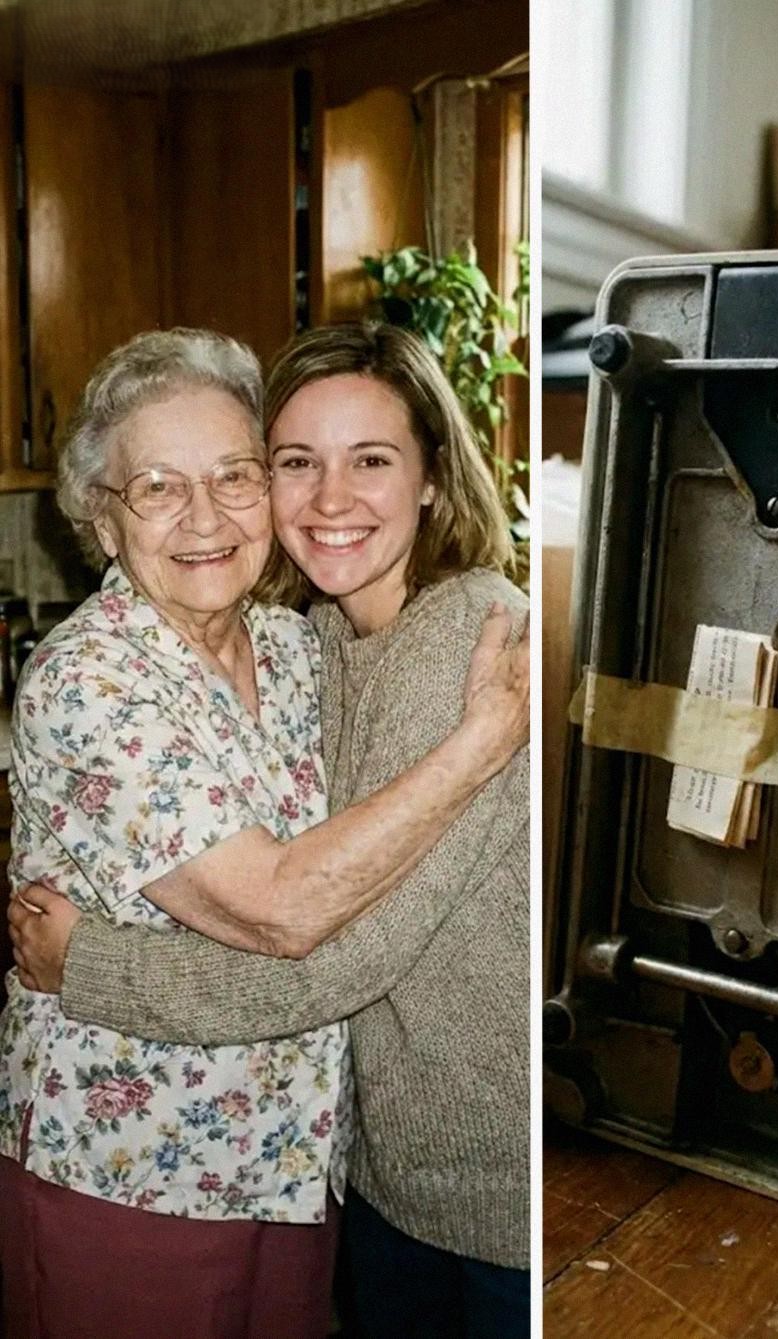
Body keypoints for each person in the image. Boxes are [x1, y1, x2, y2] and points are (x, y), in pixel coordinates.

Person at [0, 326, 529, 1339]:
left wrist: (89, 960)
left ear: (431, 476)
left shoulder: (300, 645)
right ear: (103, 523)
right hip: (132, 1169)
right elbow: (285, 912)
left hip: (300, 1170)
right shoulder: (89, 679)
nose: (205, 518)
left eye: (235, 475)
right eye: (157, 487)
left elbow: (353, 931)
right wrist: (479, 745)